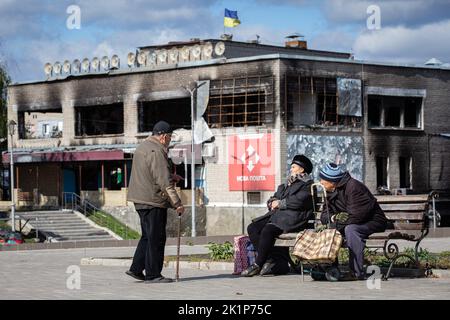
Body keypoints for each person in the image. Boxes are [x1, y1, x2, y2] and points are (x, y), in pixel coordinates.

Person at [126, 121, 185, 283]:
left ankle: (136, 269)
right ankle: (153, 274)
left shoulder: (143, 147)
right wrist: (177, 204)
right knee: (157, 238)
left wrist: (173, 176)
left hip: (140, 199)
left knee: (147, 236)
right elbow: (163, 181)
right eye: (170, 137)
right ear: (164, 136)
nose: (170, 140)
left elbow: (150, 172)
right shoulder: (156, 150)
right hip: (152, 200)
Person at [241, 155, 314, 277]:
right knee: (253, 228)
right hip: (277, 216)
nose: (291, 169)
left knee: (268, 230)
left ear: (302, 169)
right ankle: (271, 260)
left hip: (293, 218)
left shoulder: (307, 185)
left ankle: (258, 264)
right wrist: (271, 202)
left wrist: (279, 203)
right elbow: (274, 197)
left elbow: (299, 201)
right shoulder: (287, 184)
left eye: (293, 167)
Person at [319, 163, 387, 280]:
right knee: (331, 230)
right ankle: (329, 268)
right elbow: (324, 216)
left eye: (323, 179)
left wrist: (335, 225)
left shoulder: (354, 187)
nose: (320, 182)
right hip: (352, 221)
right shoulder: (330, 191)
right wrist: (334, 218)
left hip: (372, 221)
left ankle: (356, 272)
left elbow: (357, 217)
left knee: (351, 229)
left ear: (332, 182)